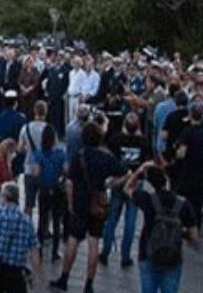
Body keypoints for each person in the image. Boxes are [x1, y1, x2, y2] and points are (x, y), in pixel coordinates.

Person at [50, 123, 127, 293]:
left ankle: (64, 278)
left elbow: (69, 182)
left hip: (79, 203)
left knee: (73, 241)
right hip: (97, 205)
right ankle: (89, 284)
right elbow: (124, 173)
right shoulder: (106, 157)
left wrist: (70, 205)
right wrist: (110, 183)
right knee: (94, 244)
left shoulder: (80, 156)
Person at [126, 163, 198, 293]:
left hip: (148, 253)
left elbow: (127, 188)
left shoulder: (146, 199)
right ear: (167, 180)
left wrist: (138, 171)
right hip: (173, 257)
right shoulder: (183, 203)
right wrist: (180, 233)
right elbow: (194, 238)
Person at [101, 112, 152, 267]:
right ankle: (125, 256)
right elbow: (147, 162)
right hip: (136, 182)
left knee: (112, 218)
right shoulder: (144, 142)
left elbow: (108, 157)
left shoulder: (116, 139)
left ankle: (105, 252)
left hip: (119, 180)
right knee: (131, 220)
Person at [0, 181, 41, 293]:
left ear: (4, 197)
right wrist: (35, 276)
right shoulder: (27, 221)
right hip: (15, 272)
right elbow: (34, 251)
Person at [33, 124, 68, 262]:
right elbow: (66, 169)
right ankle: (55, 251)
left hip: (44, 189)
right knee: (56, 220)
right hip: (57, 189)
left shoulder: (39, 152)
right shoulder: (61, 153)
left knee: (43, 219)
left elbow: (36, 172)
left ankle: (40, 247)